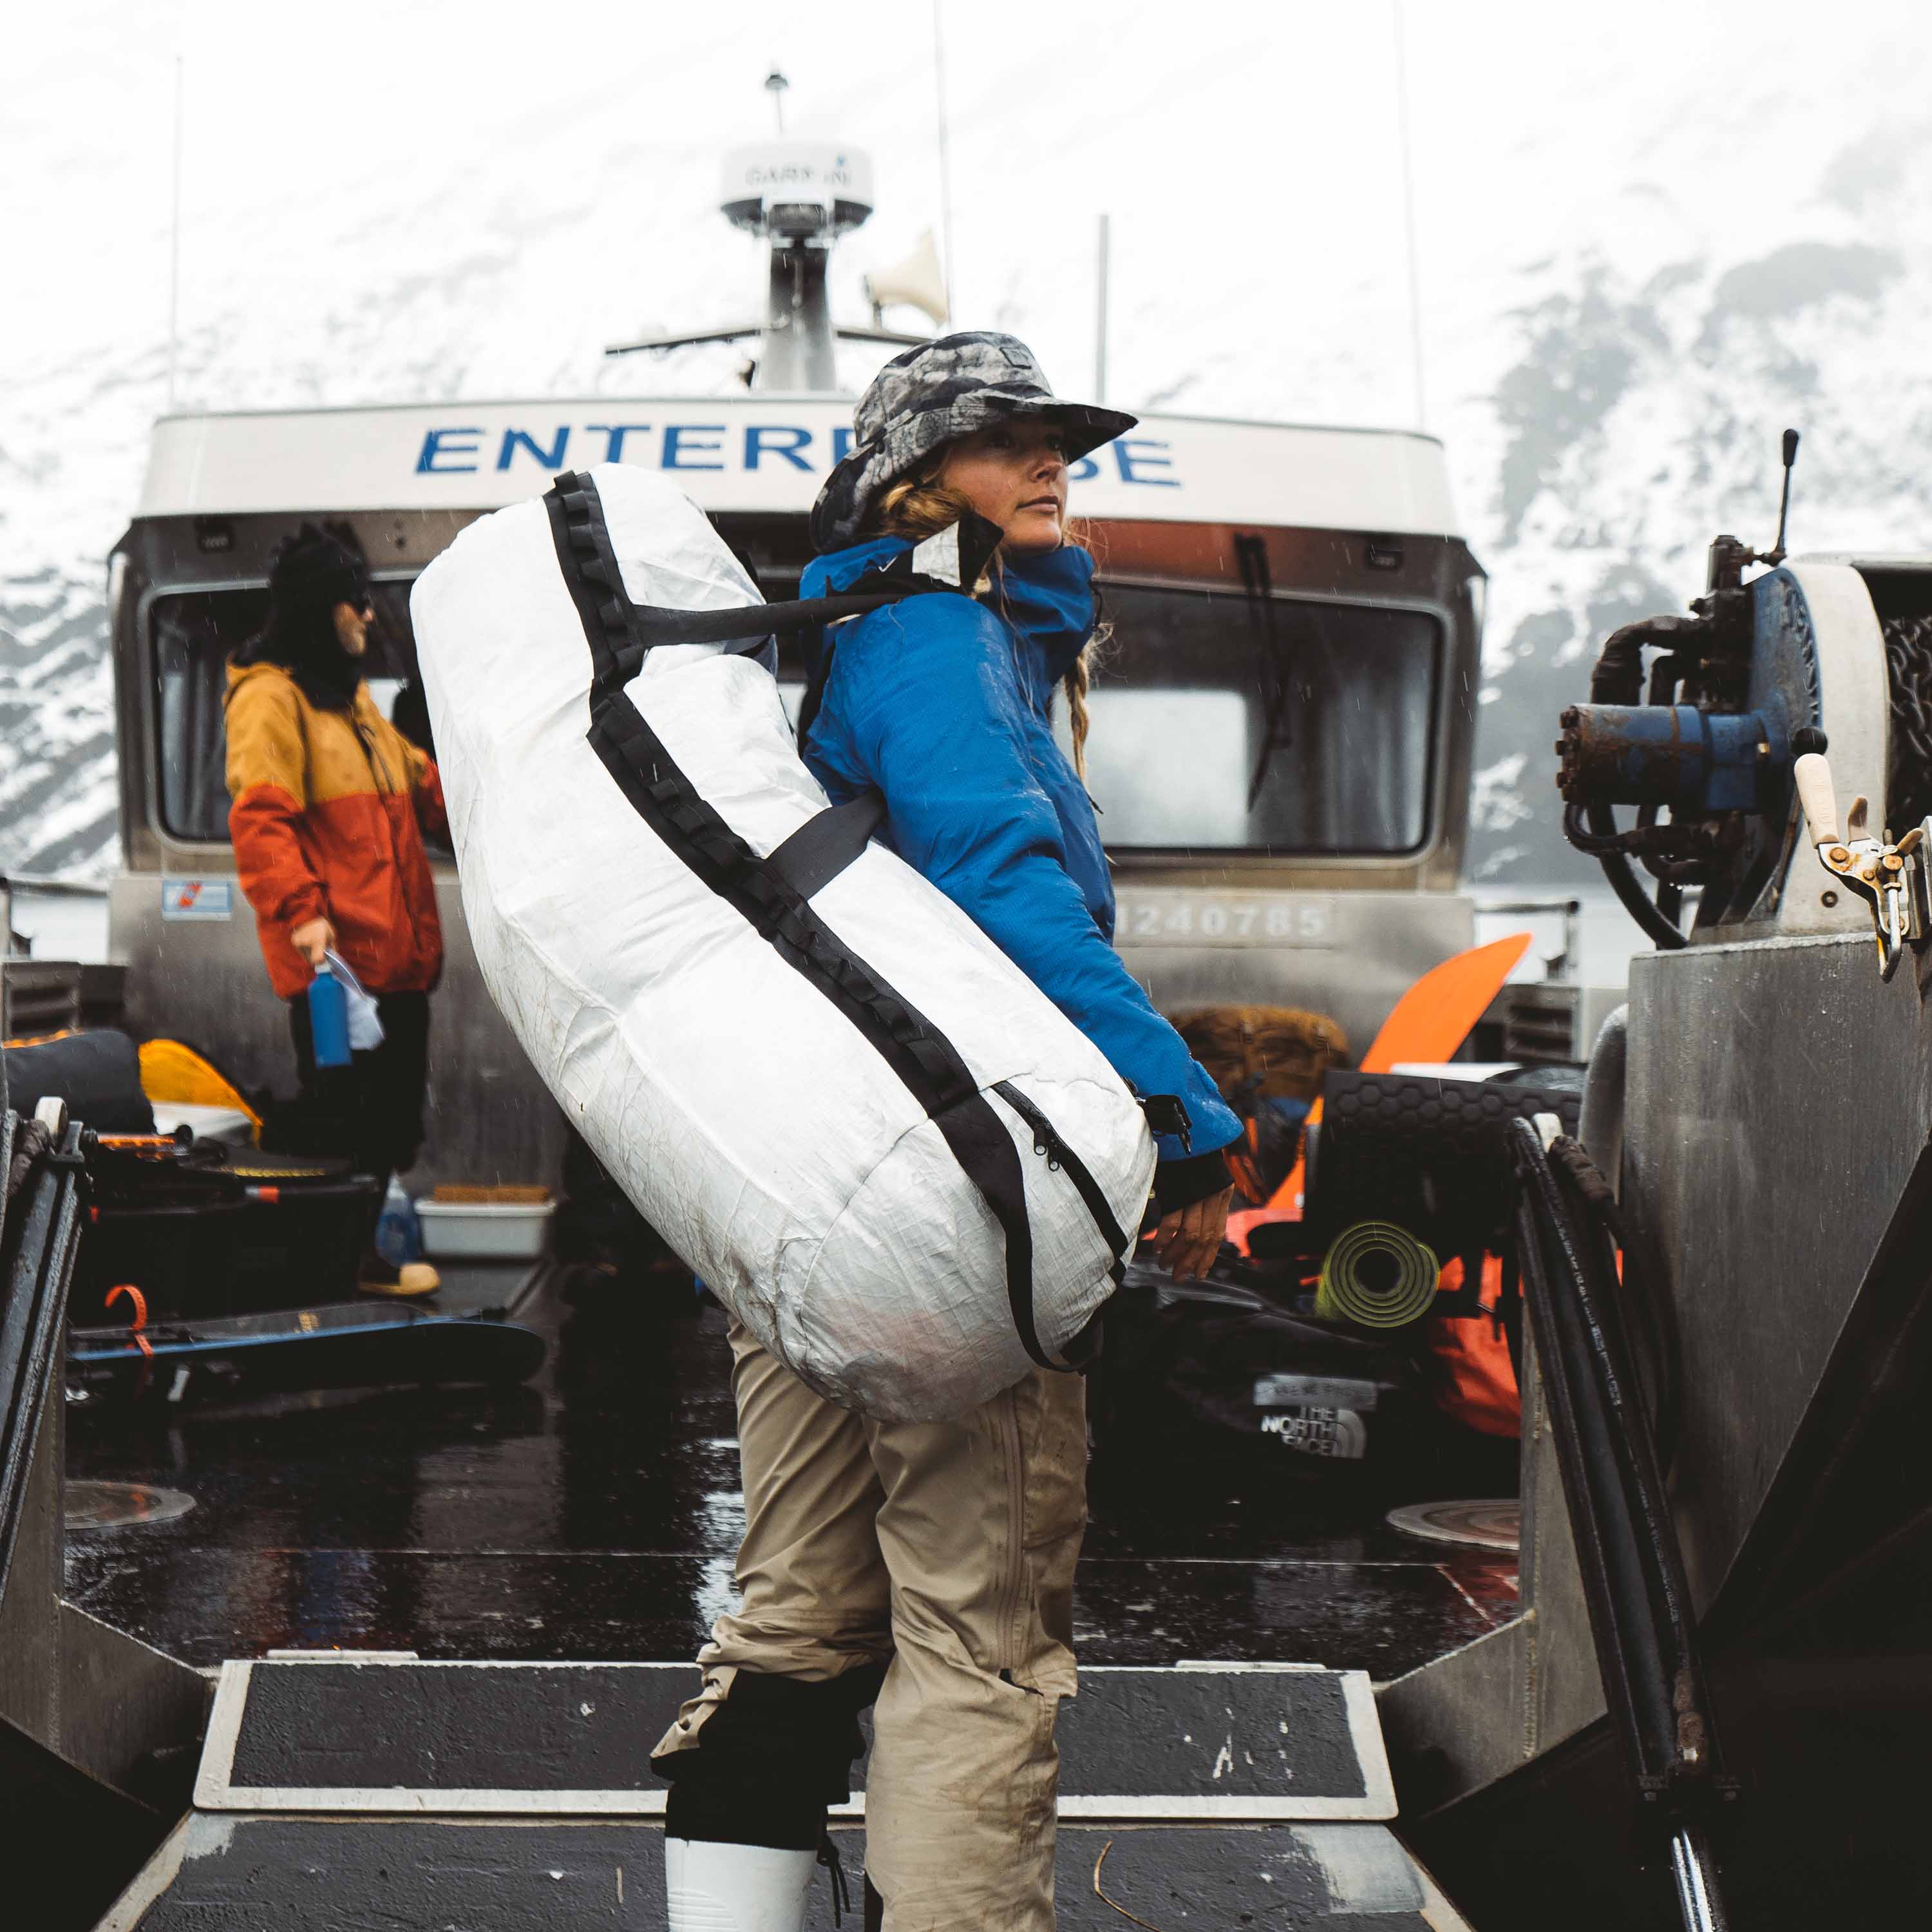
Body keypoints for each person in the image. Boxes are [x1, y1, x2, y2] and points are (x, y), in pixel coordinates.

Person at [653, 333, 1244, 1932]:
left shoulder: (871, 634)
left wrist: (1040, 573)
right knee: (978, 1637)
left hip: (806, 1200)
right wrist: (1179, 1117)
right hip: (948, 1213)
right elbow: (1000, 884)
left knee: (796, 1615)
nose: (1056, 460)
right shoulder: (932, 648)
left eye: (1062, 440)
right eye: (1012, 443)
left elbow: (1012, 697)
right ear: (920, 471)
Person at [225, 524, 447, 1296]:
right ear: (321, 609)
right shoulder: (270, 699)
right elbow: (261, 821)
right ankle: (332, 1274)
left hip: (396, 960)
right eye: (355, 603)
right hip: (338, 968)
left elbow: (419, 784)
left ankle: (353, 1265)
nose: (366, 617)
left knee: (386, 1127)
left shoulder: (352, 704)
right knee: (343, 1125)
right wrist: (302, 914)